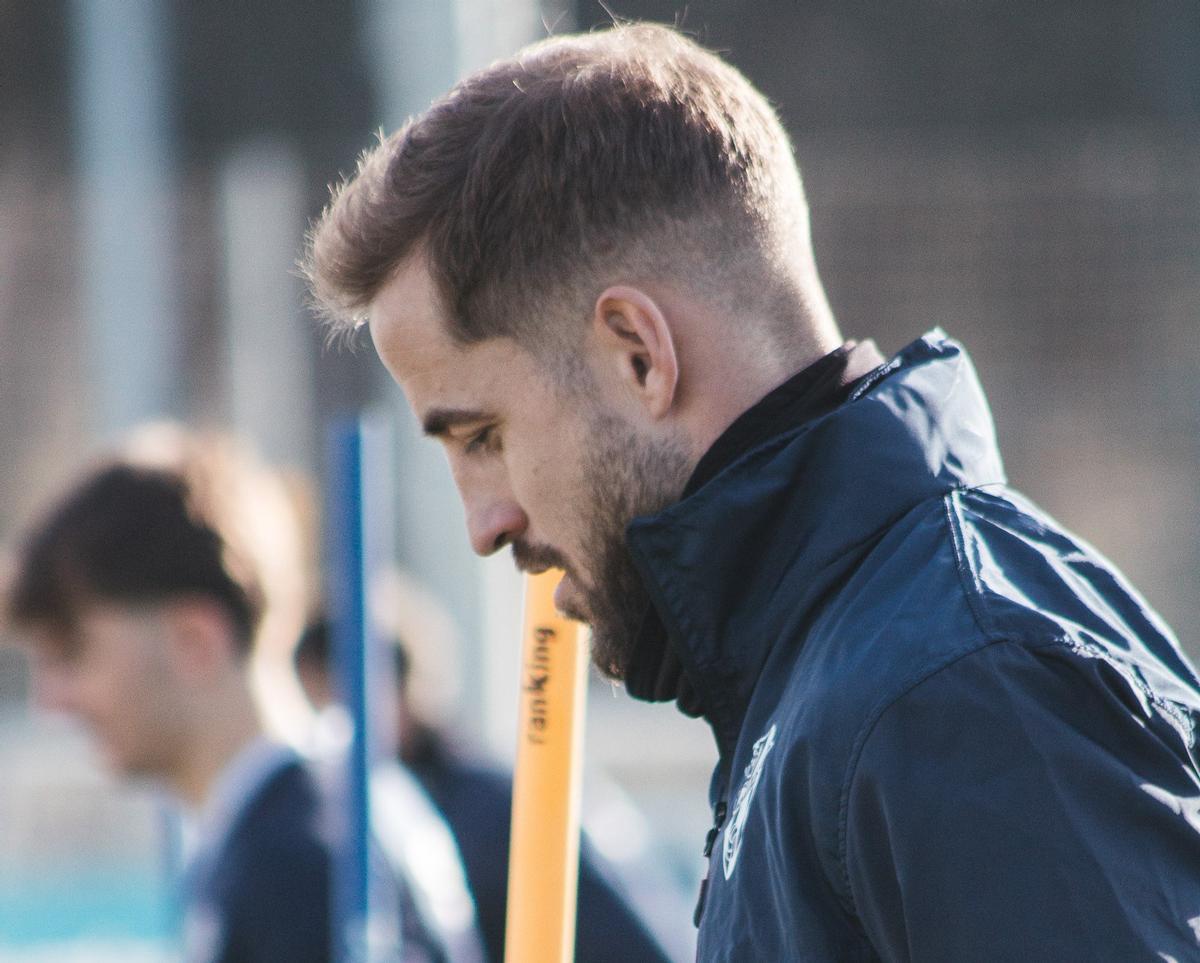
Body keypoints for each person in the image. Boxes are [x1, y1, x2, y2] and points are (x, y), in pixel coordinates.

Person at [302, 22, 1200, 962]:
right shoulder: (840, 671)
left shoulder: (955, 686)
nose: (486, 525)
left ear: (638, 356)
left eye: (483, 436)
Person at [4, 425, 445, 962]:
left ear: (195, 639)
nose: (51, 700)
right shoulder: (304, 820)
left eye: (73, 654)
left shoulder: (296, 862)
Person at [294, 591, 683, 963]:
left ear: (391, 686)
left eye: (329, 702)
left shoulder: (483, 807)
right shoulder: (418, 797)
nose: (324, 731)